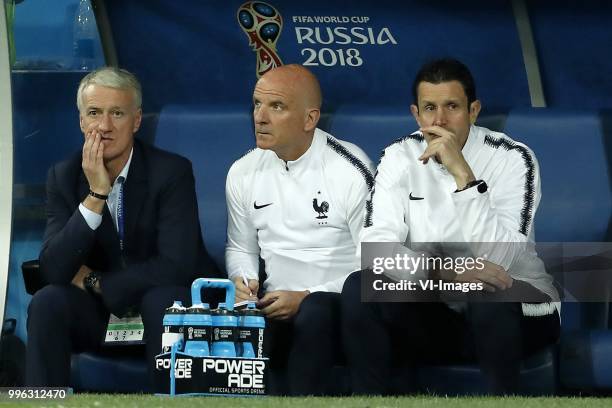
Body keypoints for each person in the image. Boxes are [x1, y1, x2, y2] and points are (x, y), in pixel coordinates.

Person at [341, 58, 560, 395]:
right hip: (437, 312)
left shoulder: (513, 157)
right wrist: (446, 273)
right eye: (429, 108)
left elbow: (502, 262)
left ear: (473, 111)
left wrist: (464, 177)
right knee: (361, 286)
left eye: (452, 107)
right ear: (416, 114)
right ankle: (369, 402)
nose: (439, 120)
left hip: (520, 314)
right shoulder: (399, 156)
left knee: (489, 294)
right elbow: (373, 253)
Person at [26, 67, 216, 387]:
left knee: (162, 302)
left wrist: (99, 282)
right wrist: (96, 196)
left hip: (160, 312)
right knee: (47, 302)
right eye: (94, 113)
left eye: (117, 113)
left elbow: (176, 264)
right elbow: (54, 270)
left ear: (137, 121)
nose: (104, 126)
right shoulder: (63, 175)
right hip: (101, 320)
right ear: (81, 121)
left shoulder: (171, 172)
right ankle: (44, 403)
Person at [225, 64, 374, 395]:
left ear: (310, 119)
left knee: (314, 314)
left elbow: (371, 266)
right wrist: (244, 281)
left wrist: (305, 296)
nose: (260, 117)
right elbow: (240, 248)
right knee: (240, 325)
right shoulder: (242, 171)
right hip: (273, 303)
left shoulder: (350, 169)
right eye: (256, 103)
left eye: (276, 107)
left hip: (334, 306)